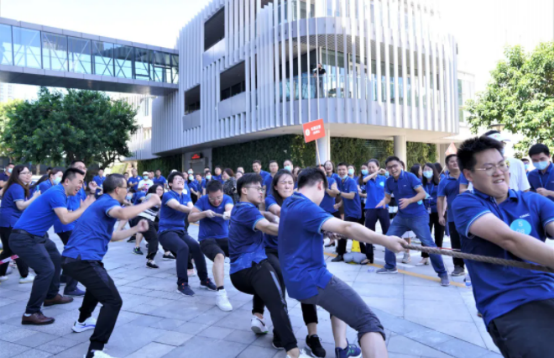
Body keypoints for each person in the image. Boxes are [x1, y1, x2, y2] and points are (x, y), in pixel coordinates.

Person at [279, 167, 405, 358]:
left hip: (296, 281)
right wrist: (386, 241)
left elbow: (299, 229)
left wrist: (322, 230)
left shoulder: (289, 201)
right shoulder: (306, 207)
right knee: (369, 323)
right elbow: (347, 226)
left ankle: (342, 348)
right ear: (321, 185)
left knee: (340, 300)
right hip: (312, 280)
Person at [453, 135, 554, 358]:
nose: (499, 172)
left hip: (548, 290)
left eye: (501, 165)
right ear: (469, 175)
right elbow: (509, 240)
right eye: (488, 167)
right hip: (509, 305)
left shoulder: (534, 202)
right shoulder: (466, 203)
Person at [62, 174, 160, 358]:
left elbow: (113, 237)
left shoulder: (103, 204)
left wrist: (135, 229)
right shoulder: (107, 202)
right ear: (117, 190)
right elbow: (122, 214)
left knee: (98, 286)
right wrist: (150, 201)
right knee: (113, 301)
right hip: (82, 259)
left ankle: (82, 320)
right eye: (126, 188)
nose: (128, 191)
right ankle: (95, 350)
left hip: (79, 259)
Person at [228, 173, 310, 358]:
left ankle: (258, 318)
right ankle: (293, 351)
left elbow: (263, 216)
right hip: (252, 267)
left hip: (240, 271)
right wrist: (303, 228)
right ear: (244, 190)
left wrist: (269, 215)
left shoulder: (240, 208)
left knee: (273, 286)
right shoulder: (248, 210)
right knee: (278, 303)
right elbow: (268, 228)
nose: (261, 191)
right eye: (257, 188)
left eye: (262, 188)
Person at [10, 168, 95, 325]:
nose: (80, 186)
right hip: (23, 237)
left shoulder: (63, 194)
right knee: (46, 269)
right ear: (67, 181)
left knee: (55, 258)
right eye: (79, 182)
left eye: (83, 183)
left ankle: (51, 296)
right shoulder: (56, 192)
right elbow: (64, 218)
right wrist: (84, 209)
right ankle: (31, 312)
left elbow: (70, 214)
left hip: (37, 236)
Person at [265, 169, 326, 358]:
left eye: (290, 182)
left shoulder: (302, 201)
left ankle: (312, 335)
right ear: (275, 186)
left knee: (307, 288)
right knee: (279, 282)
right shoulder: (271, 201)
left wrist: (326, 226)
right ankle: (280, 329)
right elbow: (278, 212)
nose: (287, 185)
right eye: (283, 182)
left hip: (296, 252)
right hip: (273, 251)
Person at [375, 156, 450, 286]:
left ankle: (443, 273)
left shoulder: (410, 177)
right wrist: (383, 201)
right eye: (390, 167)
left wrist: (409, 200)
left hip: (418, 216)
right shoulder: (389, 182)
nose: (393, 169)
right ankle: (390, 266)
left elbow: (422, 193)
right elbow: (387, 197)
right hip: (401, 217)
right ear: (387, 169)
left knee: (428, 243)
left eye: (395, 166)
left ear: (401, 166)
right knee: (388, 239)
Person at [158, 171, 216, 296]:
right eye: (176, 179)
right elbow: (179, 207)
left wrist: (203, 213)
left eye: (181, 179)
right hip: (166, 231)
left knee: (196, 247)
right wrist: (202, 212)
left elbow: (192, 210)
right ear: (170, 184)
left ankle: (204, 280)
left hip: (180, 231)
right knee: (183, 247)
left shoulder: (186, 196)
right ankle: (182, 284)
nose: (180, 180)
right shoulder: (168, 195)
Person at [188, 180, 234, 311]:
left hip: (224, 238)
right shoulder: (202, 200)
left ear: (222, 193)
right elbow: (191, 218)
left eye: (219, 198)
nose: (216, 201)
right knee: (219, 256)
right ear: (207, 195)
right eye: (212, 198)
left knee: (243, 251)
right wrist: (203, 213)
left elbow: (230, 208)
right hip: (206, 239)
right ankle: (221, 293)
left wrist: (228, 213)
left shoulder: (227, 199)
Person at [55, 160, 96, 297]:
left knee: (70, 251)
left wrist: (91, 191)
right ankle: (71, 287)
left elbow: (84, 205)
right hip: (67, 223)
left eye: (84, 167)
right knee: (77, 253)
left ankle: (64, 277)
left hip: (75, 223)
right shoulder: (65, 185)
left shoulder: (81, 185)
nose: (82, 169)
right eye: (79, 167)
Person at [0, 165, 40, 283]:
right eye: (24, 173)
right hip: (9, 222)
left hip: (5, 222)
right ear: (17, 175)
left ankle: (1, 274)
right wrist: (35, 197)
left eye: (29, 172)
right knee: (18, 248)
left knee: (8, 250)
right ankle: (25, 275)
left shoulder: (15, 186)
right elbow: (20, 205)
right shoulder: (17, 187)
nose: (28, 175)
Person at [437, 154, 466, 276]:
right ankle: (458, 266)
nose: (455, 163)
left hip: (470, 215)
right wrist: (440, 216)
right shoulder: (444, 181)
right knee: (456, 242)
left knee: (470, 241)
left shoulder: (468, 176)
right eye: (452, 161)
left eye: (457, 161)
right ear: (447, 165)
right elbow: (440, 199)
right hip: (454, 216)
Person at [129, 184, 164, 268]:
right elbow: (162, 205)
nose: (160, 191)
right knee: (154, 238)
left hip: (148, 220)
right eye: (158, 189)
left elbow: (160, 215)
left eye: (161, 190)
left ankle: (164, 251)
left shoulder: (159, 200)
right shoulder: (151, 195)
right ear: (154, 190)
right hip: (143, 218)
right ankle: (150, 260)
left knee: (158, 233)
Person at [362, 159, 390, 265]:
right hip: (370, 208)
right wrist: (375, 172)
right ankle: (369, 257)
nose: (371, 169)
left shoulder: (383, 179)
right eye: (369, 167)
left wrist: (384, 173)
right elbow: (364, 181)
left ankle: (389, 259)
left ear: (378, 167)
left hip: (383, 208)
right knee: (369, 233)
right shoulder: (367, 179)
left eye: (373, 167)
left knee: (387, 233)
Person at [333, 163, 362, 262]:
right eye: (339, 170)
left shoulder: (351, 181)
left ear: (347, 170)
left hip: (354, 212)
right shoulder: (342, 181)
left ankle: (342, 253)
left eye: (343, 169)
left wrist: (339, 192)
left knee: (347, 233)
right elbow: (345, 198)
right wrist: (339, 204)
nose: (341, 172)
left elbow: (351, 196)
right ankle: (342, 252)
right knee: (350, 234)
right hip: (348, 212)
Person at [419, 163, 444, 266]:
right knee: (425, 235)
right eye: (425, 169)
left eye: (429, 169)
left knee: (439, 235)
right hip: (425, 212)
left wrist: (442, 213)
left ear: (433, 171)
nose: (426, 171)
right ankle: (425, 257)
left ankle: (438, 256)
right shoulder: (421, 183)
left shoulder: (440, 182)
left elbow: (444, 198)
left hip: (438, 212)